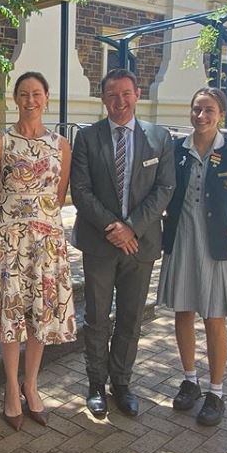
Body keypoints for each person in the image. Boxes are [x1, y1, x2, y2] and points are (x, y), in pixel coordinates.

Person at [70, 68, 175, 418]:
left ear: (137, 94)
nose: (120, 101)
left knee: (131, 318)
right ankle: (96, 384)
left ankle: (122, 383)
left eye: (126, 93)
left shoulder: (160, 138)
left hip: (141, 244)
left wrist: (132, 228)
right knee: (98, 317)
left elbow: (165, 188)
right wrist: (115, 228)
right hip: (100, 244)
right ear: (103, 99)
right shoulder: (86, 138)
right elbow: (81, 191)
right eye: (112, 94)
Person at [0, 71, 76, 431]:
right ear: (15, 99)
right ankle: (9, 388)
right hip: (10, 244)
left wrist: (39, 225)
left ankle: (31, 384)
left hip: (47, 243)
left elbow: (58, 193)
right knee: (11, 317)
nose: (30, 100)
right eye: (23, 94)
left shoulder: (61, 144)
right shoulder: (0, 142)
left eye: (37, 93)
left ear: (47, 97)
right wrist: (12, 226)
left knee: (40, 314)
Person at [157, 87, 227, 426]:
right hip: (181, 237)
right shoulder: (176, 150)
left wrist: (224, 226)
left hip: (217, 244)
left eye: (208, 109)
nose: (201, 116)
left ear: (221, 114)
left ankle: (216, 392)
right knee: (183, 310)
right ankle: (190, 380)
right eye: (197, 108)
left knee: (214, 317)